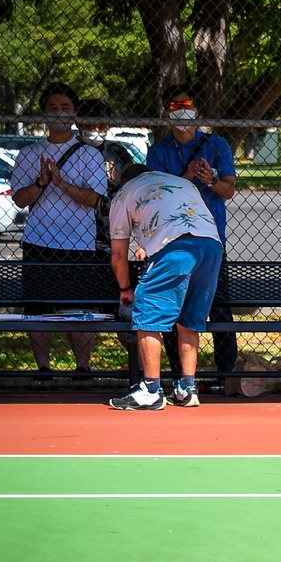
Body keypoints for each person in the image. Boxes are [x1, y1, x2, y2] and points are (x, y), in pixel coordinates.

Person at [10, 82, 108, 376]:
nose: (59, 113)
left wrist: (62, 183)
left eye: (65, 107)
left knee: (80, 310)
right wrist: (41, 183)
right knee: (37, 308)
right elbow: (18, 198)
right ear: (43, 113)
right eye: (53, 107)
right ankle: (43, 369)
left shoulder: (89, 155)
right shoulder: (29, 153)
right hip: (38, 241)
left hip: (79, 245)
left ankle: (82, 368)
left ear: (75, 113)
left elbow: (96, 200)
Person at [107, 164, 224, 410]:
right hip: (211, 247)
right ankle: (187, 388)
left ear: (124, 181)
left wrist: (126, 289)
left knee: (147, 312)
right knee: (189, 318)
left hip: (175, 247)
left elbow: (118, 256)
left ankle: (150, 389)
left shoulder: (124, 194)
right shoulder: (180, 182)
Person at [146, 83, 238, 377]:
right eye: (175, 106)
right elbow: (158, 193)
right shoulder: (158, 152)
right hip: (173, 243)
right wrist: (187, 177)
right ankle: (179, 376)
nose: (183, 111)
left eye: (188, 105)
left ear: (197, 110)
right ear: (164, 113)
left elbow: (229, 190)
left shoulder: (217, 145)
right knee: (175, 311)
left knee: (220, 310)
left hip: (211, 241)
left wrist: (210, 180)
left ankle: (227, 374)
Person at [77, 98, 138, 255]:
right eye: (89, 126)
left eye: (101, 126)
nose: (95, 131)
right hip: (73, 233)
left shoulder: (117, 153)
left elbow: (131, 189)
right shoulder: (70, 151)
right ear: (78, 124)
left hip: (108, 232)